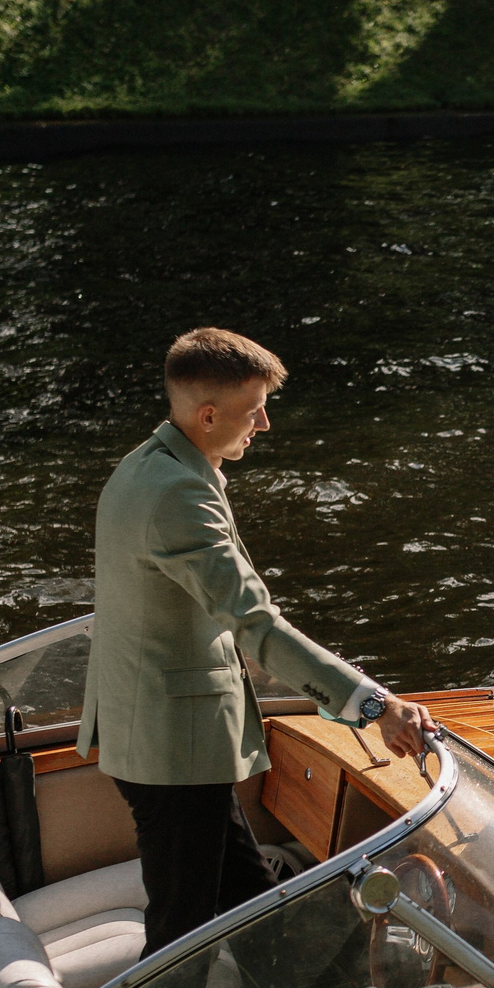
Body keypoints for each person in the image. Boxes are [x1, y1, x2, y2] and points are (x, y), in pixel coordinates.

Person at [81, 327, 432, 952]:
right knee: (180, 931)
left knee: (246, 906)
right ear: (208, 414)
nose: (265, 424)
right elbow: (256, 624)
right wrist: (376, 705)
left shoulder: (147, 465)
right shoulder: (178, 494)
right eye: (253, 410)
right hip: (171, 750)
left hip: (156, 733)